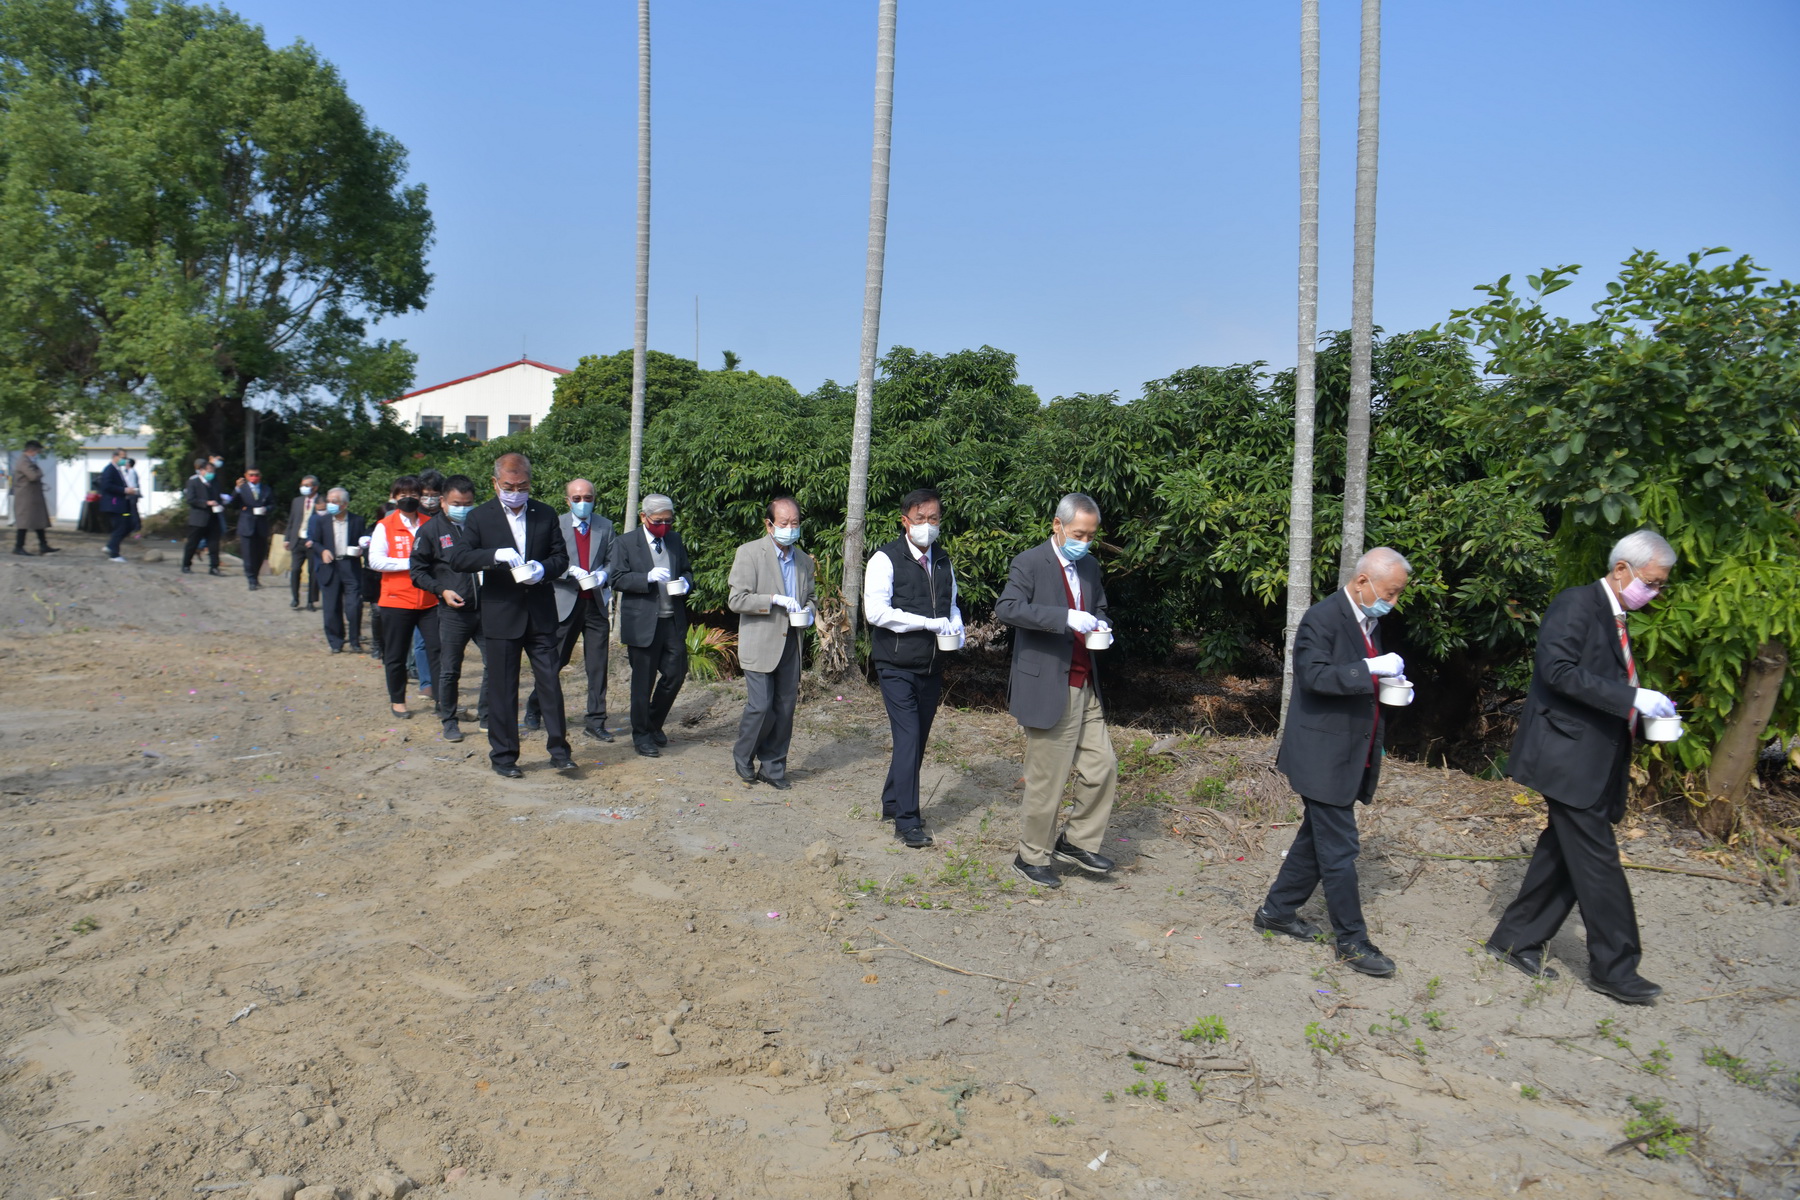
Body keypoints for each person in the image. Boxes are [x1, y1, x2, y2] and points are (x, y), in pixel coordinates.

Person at [1486, 530, 1680, 1005]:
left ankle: (1513, 939)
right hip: (1566, 758)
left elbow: (1597, 682)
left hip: (1593, 758)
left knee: (1564, 854)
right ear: (1621, 571)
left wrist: (1642, 712)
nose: (1654, 593)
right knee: (1598, 864)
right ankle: (1616, 968)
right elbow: (1557, 671)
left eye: (1659, 586)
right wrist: (1633, 697)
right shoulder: (1576, 604)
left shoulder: (1615, 617)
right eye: (1651, 583)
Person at [1255, 546, 1412, 977]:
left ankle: (1276, 911)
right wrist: (1370, 667)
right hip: (1320, 755)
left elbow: (1358, 680)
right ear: (1362, 582)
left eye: (1398, 594)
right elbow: (1315, 676)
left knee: (1315, 840)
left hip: (1348, 751)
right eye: (1389, 592)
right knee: (1341, 848)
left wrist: (1391, 682)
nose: (1392, 602)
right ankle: (1352, 940)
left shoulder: (1369, 621)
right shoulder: (1322, 618)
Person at [995, 493, 1119, 885]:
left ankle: (1077, 840)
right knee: (1048, 778)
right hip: (1050, 684)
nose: (1085, 540)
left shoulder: (1091, 567)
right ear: (1058, 526)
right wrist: (1063, 617)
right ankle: (1030, 856)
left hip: (1086, 681)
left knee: (1103, 767)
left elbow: (1097, 607)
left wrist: (1100, 624)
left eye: (1091, 534)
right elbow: (1008, 608)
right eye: (1079, 533)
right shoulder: (1030, 562)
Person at [445, 453, 574, 778]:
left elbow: (561, 557)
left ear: (530, 482)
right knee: (503, 687)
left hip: (541, 612)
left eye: (522, 485)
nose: (516, 491)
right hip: (502, 613)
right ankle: (504, 756)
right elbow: (459, 558)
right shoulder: (480, 517)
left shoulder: (544, 514)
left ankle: (560, 751)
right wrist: (494, 557)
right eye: (508, 486)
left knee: (549, 682)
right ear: (495, 483)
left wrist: (542, 569)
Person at [863, 487, 963, 848]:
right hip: (896, 664)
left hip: (932, 664)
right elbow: (876, 612)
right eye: (919, 519)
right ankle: (908, 820)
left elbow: (951, 604)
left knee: (917, 741)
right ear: (905, 521)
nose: (927, 525)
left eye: (933, 519)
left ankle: (892, 800)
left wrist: (956, 626)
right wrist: (927, 623)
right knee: (907, 739)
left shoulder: (942, 560)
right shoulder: (884, 559)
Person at [727, 495, 816, 789]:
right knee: (761, 706)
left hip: (792, 640)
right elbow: (737, 599)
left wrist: (809, 612)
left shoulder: (804, 560)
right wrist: (774, 600)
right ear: (769, 525)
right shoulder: (749, 553)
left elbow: (812, 598)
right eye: (784, 523)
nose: (790, 528)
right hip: (760, 642)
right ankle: (743, 754)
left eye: (795, 523)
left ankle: (773, 767)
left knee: (785, 707)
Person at [525, 478, 616, 741]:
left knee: (597, 665)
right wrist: (567, 571)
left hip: (596, 603)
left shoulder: (605, 526)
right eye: (576, 499)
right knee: (555, 661)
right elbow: (544, 561)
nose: (582, 503)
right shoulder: (557, 524)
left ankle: (596, 720)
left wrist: (603, 575)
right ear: (567, 501)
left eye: (587, 498)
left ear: (594, 499)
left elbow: (613, 560)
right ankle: (534, 705)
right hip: (564, 603)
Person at [609, 493, 694, 758]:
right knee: (642, 682)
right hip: (643, 622)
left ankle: (653, 722)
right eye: (659, 521)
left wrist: (686, 583)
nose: (665, 526)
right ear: (644, 517)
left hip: (672, 619)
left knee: (676, 674)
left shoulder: (675, 539)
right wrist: (645, 577)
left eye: (669, 521)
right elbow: (616, 578)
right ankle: (642, 735)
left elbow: (687, 570)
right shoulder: (625, 543)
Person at [411, 474, 490, 743]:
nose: (463, 508)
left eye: (468, 503)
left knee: (495, 663)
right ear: (443, 501)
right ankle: (449, 720)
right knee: (450, 669)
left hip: (486, 609)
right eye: (457, 503)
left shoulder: (480, 526)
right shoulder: (430, 531)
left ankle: (487, 716)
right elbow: (417, 572)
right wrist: (441, 590)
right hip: (453, 612)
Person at [369, 475, 440, 719]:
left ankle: (442, 698)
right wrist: (412, 563)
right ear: (394, 498)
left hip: (429, 600)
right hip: (396, 600)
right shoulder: (385, 525)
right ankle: (398, 700)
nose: (408, 499)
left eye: (413, 495)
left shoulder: (429, 523)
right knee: (396, 654)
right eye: (403, 495)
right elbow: (376, 561)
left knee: (437, 650)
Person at [307, 487, 368, 653]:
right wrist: (323, 551)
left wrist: (361, 548)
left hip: (350, 566)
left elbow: (364, 541)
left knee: (354, 605)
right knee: (331, 607)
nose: (330, 504)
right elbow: (314, 541)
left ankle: (355, 640)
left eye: (335, 501)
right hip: (329, 567)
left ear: (345, 504)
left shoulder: (357, 520)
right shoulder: (321, 521)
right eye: (329, 501)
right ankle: (336, 641)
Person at [9, 440, 56, 556]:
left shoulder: (29, 461)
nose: (38, 453)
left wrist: (37, 469)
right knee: (24, 522)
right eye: (37, 451)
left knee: (38, 521)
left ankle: (43, 545)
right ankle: (18, 546)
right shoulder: (23, 462)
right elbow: (33, 476)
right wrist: (38, 471)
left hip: (32, 496)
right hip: (26, 497)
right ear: (31, 450)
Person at [181, 456, 225, 574]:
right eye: (209, 470)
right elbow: (190, 499)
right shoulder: (193, 482)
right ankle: (186, 565)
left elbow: (218, 497)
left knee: (214, 544)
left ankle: (214, 567)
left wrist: (220, 504)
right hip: (198, 518)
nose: (211, 473)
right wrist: (206, 503)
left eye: (213, 471)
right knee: (192, 543)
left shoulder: (215, 483)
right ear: (202, 471)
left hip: (213, 517)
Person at [234, 466, 273, 590]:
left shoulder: (266, 489)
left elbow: (272, 504)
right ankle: (251, 579)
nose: (254, 477)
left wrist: (266, 509)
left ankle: (256, 577)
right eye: (251, 475)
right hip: (247, 525)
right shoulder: (242, 489)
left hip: (261, 525)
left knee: (260, 554)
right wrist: (236, 489)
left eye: (256, 475)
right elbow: (233, 503)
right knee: (248, 554)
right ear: (246, 475)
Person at [99, 448, 140, 562]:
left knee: (128, 525)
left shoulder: (119, 470)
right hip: (114, 503)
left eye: (125, 457)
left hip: (123, 504)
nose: (124, 460)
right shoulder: (109, 470)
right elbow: (106, 486)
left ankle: (111, 546)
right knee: (120, 526)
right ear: (115, 457)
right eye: (123, 457)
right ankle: (114, 553)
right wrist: (124, 490)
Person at [286, 475, 320, 609]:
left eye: (307, 485)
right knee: (295, 570)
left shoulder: (321, 501)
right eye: (302, 485)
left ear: (315, 487)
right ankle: (295, 598)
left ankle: (311, 601)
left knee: (313, 573)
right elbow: (292, 520)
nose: (303, 488)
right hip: (297, 541)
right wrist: (287, 538)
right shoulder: (297, 501)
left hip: (313, 543)